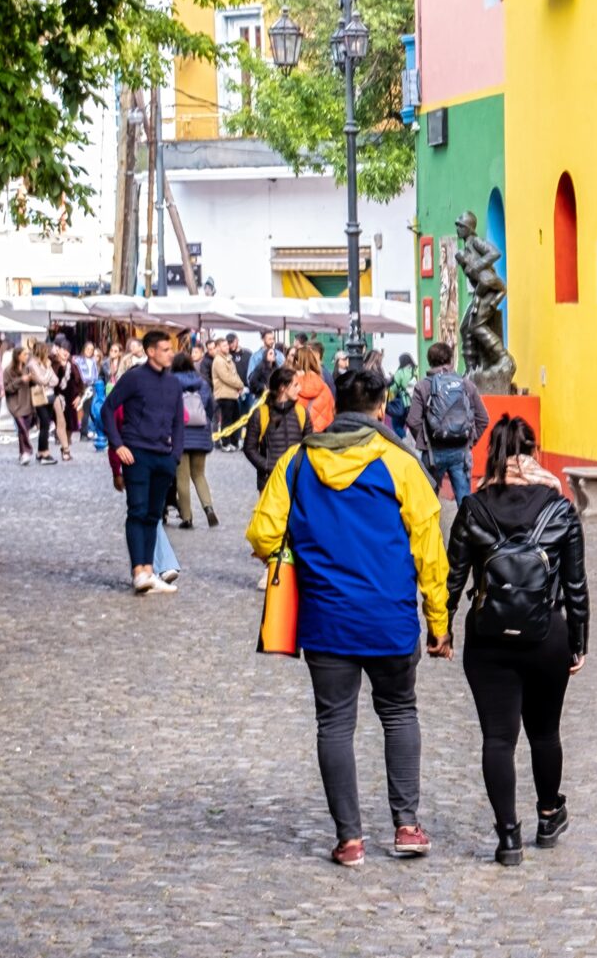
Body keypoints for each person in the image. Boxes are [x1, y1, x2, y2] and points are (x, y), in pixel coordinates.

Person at [247, 358, 449, 867]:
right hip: (390, 617)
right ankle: (405, 825)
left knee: (334, 723)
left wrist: (301, 550)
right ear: (382, 406)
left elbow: (263, 534)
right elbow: (430, 551)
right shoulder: (401, 463)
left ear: (335, 403)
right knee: (399, 712)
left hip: (325, 618)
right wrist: (439, 624)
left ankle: (350, 839)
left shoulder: (297, 461)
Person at [445, 413, 588, 864]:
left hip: (489, 638)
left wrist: (441, 627)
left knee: (498, 738)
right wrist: (578, 640)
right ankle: (549, 815)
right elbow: (576, 586)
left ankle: (508, 837)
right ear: (534, 452)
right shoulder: (559, 507)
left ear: (494, 455)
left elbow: (453, 576)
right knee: (545, 732)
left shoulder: (474, 507)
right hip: (548, 634)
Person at [104, 328, 183, 593]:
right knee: (137, 511)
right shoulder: (134, 378)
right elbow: (107, 409)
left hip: (164, 457)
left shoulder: (173, 384)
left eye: (171, 349)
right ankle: (138, 571)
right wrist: (118, 445)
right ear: (151, 352)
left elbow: (178, 423)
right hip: (137, 453)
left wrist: (175, 457)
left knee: (153, 514)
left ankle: (149, 570)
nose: (170, 353)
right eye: (165, 349)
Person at [405, 343, 483, 504]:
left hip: (434, 453)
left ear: (429, 361)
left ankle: (433, 529)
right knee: (465, 502)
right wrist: (470, 441)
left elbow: (413, 421)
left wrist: (426, 442)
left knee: (428, 502)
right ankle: (466, 528)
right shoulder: (465, 384)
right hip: (461, 452)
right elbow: (482, 418)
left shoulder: (423, 386)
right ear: (451, 360)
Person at [243, 365, 314, 490]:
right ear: (283, 388)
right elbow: (249, 448)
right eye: (295, 385)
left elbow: (309, 446)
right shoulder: (261, 414)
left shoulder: (301, 413)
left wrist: (301, 468)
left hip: (296, 481)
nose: (300, 389)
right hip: (270, 481)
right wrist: (267, 465)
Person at [172, 349, 220, 527]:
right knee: (199, 474)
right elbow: (210, 407)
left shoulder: (171, 382)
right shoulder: (202, 383)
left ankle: (187, 518)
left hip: (180, 435)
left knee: (182, 479)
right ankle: (209, 508)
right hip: (200, 434)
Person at [4, 337, 40, 465]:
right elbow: (7, 388)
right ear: (18, 355)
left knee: (22, 430)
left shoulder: (28, 368)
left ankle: (22, 453)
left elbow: (34, 385)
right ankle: (28, 449)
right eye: (25, 354)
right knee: (23, 428)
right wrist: (21, 380)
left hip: (28, 403)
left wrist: (33, 379)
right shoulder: (8, 371)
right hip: (15, 404)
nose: (27, 356)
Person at [289, 341, 335, 433]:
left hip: (296, 436)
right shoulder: (324, 387)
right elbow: (332, 411)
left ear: (296, 362)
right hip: (319, 437)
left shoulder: (290, 388)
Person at [211, 335, 249, 439]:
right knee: (227, 421)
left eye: (227, 345)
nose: (227, 347)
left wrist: (240, 387)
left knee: (235, 419)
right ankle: (226, 442)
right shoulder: (218, 360)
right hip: (224, 395)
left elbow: (235, 374)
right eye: (224, 345)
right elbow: (226, 377)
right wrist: (241, 384)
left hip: (232, 394)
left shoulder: (228, 358)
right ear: (218, 347)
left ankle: (234, 442)